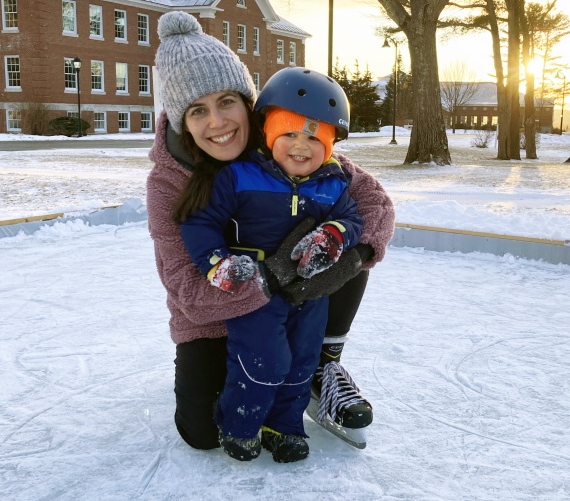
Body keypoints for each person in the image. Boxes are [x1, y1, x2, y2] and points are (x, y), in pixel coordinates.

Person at [147, 11, 395, 456]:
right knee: (202, 434)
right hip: (212, 318)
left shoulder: (287, 143)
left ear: (250, 102)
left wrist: (349, 255)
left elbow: (374, 204)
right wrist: (274, 275)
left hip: (300, 307)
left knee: (344, 234)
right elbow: (186, 289)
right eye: (198, 110)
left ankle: (322, 366)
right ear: (183, 121)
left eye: (227, 102)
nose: (218, 122)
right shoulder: (169, 182)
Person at [178, 68, 362, 463]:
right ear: (269, 133)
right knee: (265, 360)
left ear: (330, 145)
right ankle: (241, 425)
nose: (301, 146)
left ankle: (285, 427)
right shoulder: (240, 175)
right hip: (254, 290)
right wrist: (218, 263)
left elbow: (354, 220)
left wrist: (333, 234)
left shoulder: (334, 182)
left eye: (315, 137)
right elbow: (200, 221)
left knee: (301, 360)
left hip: (309, 294)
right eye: (289, 133)